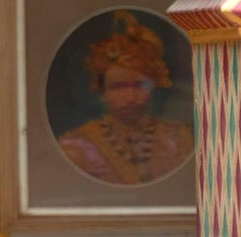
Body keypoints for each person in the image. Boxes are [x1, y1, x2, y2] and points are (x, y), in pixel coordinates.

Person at [57, 10, 193, 185]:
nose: (131, 98)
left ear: (154, 86)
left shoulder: (180, 140)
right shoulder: (78, 147)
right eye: (118, 87)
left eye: (140, 85)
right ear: (102, 92)